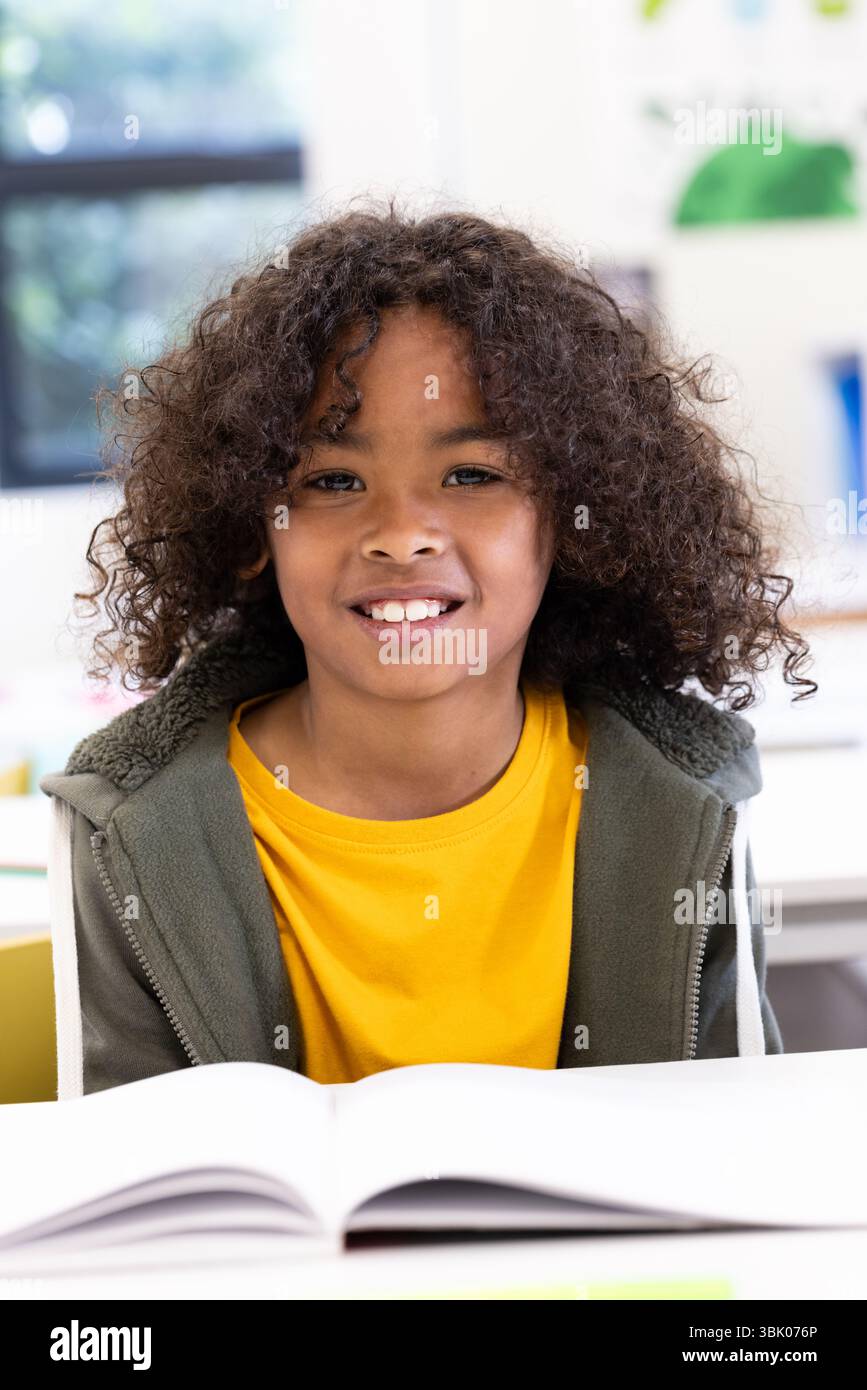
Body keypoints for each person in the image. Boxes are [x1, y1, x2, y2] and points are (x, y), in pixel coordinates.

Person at [41, 200, 815, 1097]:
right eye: (332, 480)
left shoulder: (682, 801)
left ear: (569, 518)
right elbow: (144, 1204)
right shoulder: (133, 830)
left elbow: (731, 1153)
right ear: (252, 525)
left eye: (471, 475)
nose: (402, 534)